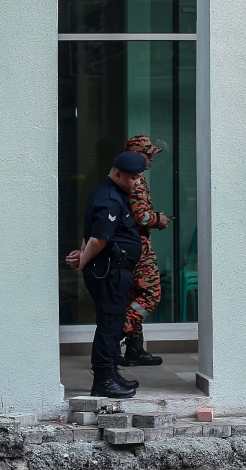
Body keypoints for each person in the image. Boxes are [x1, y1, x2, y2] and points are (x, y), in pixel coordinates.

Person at [65, 152, 146, 398]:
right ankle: (103, 379)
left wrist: (82, 252)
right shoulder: (110, 198)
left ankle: (111, 373)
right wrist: (82, 260)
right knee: (109, 326)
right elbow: (99, 239)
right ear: (118, 174)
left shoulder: (111, 193)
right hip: (109, 272)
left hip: (112, 271)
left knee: (112, 323)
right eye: (134, 178)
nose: (138, 183)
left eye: (140, 178)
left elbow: (90, 232)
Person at [119, 135, 169, 367]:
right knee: (150, 295)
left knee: (134, 296)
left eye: (151, 154)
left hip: (131, 244)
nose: (150, 158)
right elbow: (141, 216)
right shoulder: (136, 181)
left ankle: (135, 349)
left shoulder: (133, 179)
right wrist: (159, 219)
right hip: (138, 246)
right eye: (146, 154)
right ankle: (118, 333)